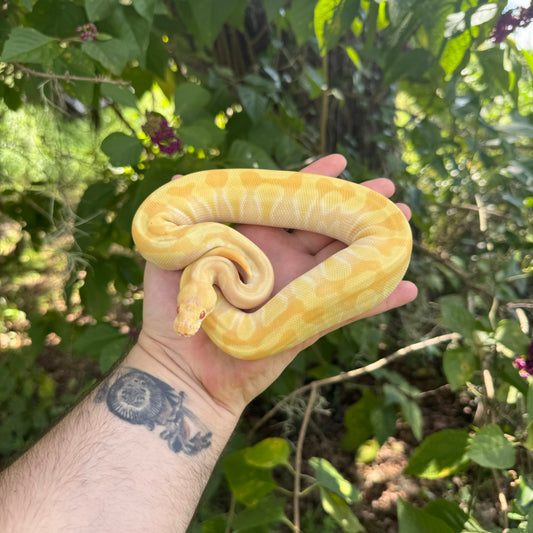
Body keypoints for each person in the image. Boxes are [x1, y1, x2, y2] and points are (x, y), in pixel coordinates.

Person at [0, 154, 417, 532]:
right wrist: (176, 365)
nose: (189, 323)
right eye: (194, 313)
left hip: (372, 233)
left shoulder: (205, 264)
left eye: (195, 314)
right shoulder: (204, 266)